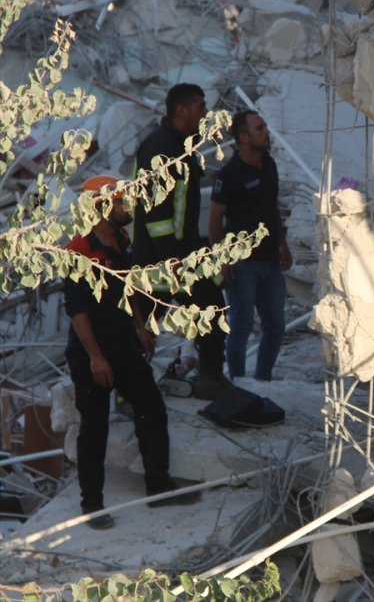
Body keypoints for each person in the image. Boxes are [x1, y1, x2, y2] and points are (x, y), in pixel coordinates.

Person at [64, 176, 200, 530]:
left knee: (151, 410)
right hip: (93, 353)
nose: (129, 208)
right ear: (102, 205)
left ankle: (158, 486)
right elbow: (77, 311)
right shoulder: (79, 249)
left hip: (124, 346)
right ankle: (92, 505)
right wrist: (95, 357)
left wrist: (141, 326)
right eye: (123, 203)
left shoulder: (121, 240)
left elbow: (127, 288)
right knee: (93, 430)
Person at [133, 83, 230, 399]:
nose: (205, 112)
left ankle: (211, 378)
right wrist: (168, 260)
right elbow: (156, 212)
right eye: (200, 106)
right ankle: (127, 393)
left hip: (182, 251)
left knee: (212, 308)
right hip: (159, 257)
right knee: (142, 328)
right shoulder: (159, 148)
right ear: (181, 110)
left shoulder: (181, 147)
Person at [208, 111, 291, 381]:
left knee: (275, 327)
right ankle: (239, 384)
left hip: (270, 261)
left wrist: (283, 244)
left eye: (265, 126)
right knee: (241, 328)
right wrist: (222, 260)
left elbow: (272, 208)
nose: (266, 131)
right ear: (243, 137)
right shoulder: (229, 175)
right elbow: (214, 220)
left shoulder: (269, 164)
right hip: (242, 264)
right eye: (259, 128)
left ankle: (262, 380)